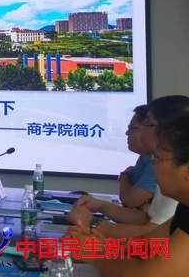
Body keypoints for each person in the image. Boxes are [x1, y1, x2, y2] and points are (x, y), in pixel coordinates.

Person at [68, 95, 189, 275]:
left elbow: (147, 274)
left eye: (158, 159)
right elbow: (147, 245)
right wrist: (101, 245)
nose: (153, 166)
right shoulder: (185, 207)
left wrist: (96, 252)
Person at [67, 103, 177, 237]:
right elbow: (145, 219)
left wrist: (89, 222)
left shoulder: (173, 174)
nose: (127, 133)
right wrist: (100, 206)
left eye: (148, 124)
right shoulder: (157, 161)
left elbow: (152, 235)